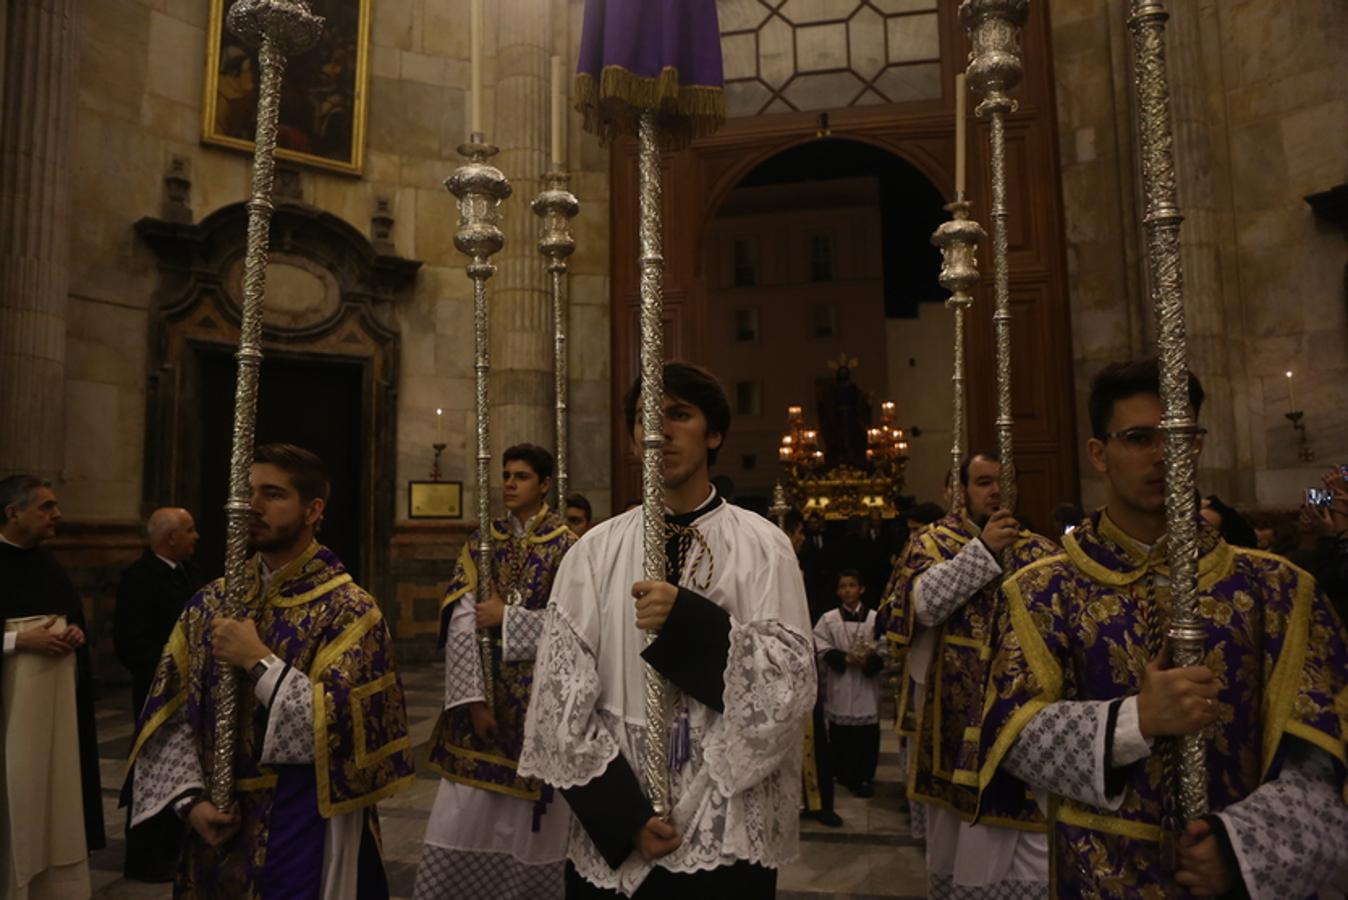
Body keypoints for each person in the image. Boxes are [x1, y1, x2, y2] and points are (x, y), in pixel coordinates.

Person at [979, 358, 1348, 897]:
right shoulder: (1041, 591)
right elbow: (1008, 737)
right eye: (1138, 438)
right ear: (1099, 454)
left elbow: (1323, 763)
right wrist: (1136, 721)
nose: (1162, 455)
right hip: (1097, 876)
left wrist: (1238, 850)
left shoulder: (1280, 590)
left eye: (1179, 436)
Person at [519, 362, 814, 898]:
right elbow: (556, 707)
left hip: (727, 826)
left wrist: (687, 623)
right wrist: (625, 816)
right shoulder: (592, 553)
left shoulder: (763, 547)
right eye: (645, 419)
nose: (659, 431)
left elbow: (787, 692)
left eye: (679, 415)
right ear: (633, 438)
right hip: (619, 829)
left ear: (715, 433)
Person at [126, 444, 415, 898]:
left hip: (303, 819)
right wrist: (189, 802)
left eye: (272, 494)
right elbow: (169, 712)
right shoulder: (210, 601)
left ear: (312, 510)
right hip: (212, 827)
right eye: (246, 492)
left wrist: (255, 660)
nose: (251, 506)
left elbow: (342, 729)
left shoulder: (349, 610)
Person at [877, 451, 1058, 897]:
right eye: (983, 482)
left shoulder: (1040, 549)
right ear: (961, 491)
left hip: (1022, 720)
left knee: (1032, 842)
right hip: (954, 722)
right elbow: (917, 608)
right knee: (963, 844)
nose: (995, 491)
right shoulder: (932, 543)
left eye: (1002, 481)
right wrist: (983, 552)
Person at [415, 444, 576, 899]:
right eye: (505, 474)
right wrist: (474, 699)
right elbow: (465, 620)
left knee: (531, 819)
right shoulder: (482, 542)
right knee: (465, 810)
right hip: (487, 700)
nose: (508, 483)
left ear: (544, 484)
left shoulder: (569, 546)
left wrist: (508, 619)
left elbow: (577, 627)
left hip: (539, 701)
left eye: (521, 476)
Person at [0, 475, 105, 898]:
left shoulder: (47, 563)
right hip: (10, 716)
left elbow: (70, 616)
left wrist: (75, 634)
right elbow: (23, 634)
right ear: (13, 513)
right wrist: (18, 641)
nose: (57, 515)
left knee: (54, 803)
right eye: (46, 507)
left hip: (54, 715)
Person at [115, 506, 202, 882]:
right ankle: (145, 857)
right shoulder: (140, 577)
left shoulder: (182, 573)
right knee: (152, 766)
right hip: (155, 692)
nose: (197, 536)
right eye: (190, 529)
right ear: (170, 538)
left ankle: (172, 847)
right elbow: (130, 642)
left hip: (184, 692)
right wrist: (172, 669)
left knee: (178, 765)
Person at [785, 511, 842, 829]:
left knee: (815, 732)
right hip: (780, 661)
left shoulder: (807, 566)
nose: (803, 539)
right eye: (798, 533)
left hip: (804, 654)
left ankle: (820, 801)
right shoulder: (774, 565)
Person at [813, 569, 883, 798]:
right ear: (837, 591)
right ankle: (842, 773)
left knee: (866, 733)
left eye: (852, 585)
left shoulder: (875, 618)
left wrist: (868, 661)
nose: (847, 590)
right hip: (841, 681)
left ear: (861, 589)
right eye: (843, 586)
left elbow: (886, 647)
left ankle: (864, 775)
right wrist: (843, 658)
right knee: (841, 730)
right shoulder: (829, 618)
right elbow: (820, 644)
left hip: (865, 684)